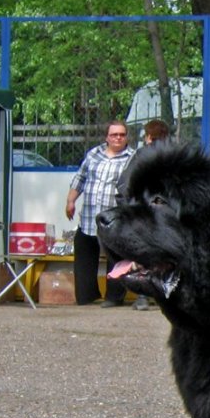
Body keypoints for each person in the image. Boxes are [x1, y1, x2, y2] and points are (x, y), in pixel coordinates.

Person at [65, 120, 135, 306]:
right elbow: (80, 178)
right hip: (88, 216)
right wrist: (70, 200)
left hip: (114, 220)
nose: (118, 138)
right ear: (107, 137)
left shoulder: (132, 157)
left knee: (116, 259)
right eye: (114, 135)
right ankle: (86, 296)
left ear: (126, 137)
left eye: (121, 134)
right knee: (84, 254)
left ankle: (113, 297)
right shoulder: (94, 154)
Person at [115, 119, 171, 311]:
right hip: (167, 217)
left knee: (143, 252)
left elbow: (123, 185)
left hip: (143, 215)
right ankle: (165, 294)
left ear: (148, 136)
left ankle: (142, 297)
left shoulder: (141, 155)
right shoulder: (174, 156)